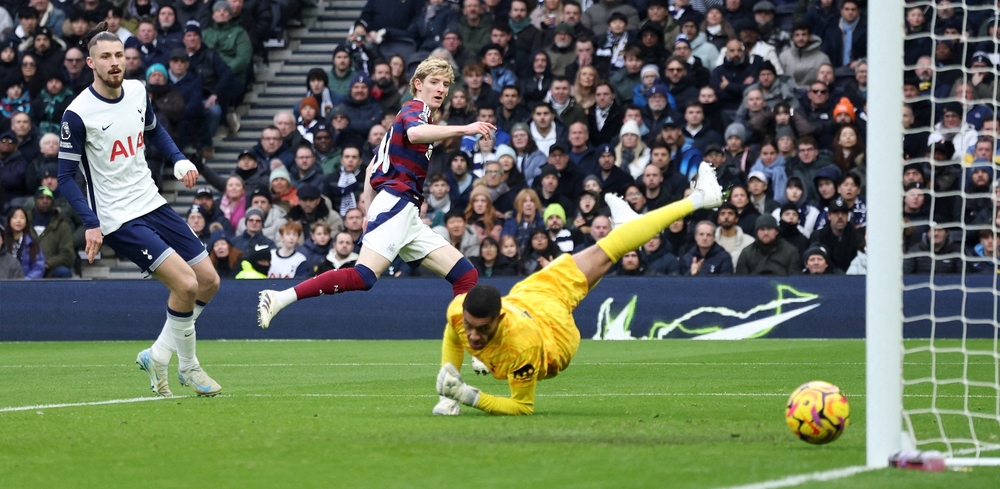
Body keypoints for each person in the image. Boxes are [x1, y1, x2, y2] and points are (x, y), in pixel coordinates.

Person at [432, 163, 724, 415]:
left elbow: (522, 407)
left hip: (554, 332)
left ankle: (698, 200)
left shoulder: (522, 345)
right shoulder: (461, 312)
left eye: (482, 330)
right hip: (534, 313)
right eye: (471, 326)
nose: (472, 334)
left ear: (499, 319)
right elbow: (454, 333)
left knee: (604, 252)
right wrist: (448, 390)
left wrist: (469, 396)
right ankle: (628, 230)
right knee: (602, 254)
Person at [257, 58, 496, 329]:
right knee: (364, 276)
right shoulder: (413, 110)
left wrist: (368, 210)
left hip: (404, 212)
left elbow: (372, 167)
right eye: (434, 82)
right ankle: (279, 297)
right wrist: (466, 128)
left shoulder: (405, 120)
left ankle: (462, 346)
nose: (441, 89)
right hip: (397, 203)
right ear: (418, 85)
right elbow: (417, 134)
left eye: (445, 84)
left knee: (465, 275)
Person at [57, 25, 222, 397]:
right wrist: (91, 223)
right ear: (90, 63)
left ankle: (158, 354)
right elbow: (65, 177)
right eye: (105, 57)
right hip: (118, 217)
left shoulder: (136, 90)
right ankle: (190, 367)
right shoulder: (77, 114)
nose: (114, 63)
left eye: (119, 56)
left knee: (209, 281)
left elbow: (155, 129)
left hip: (152, 200)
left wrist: (178, 160)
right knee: (185, 284)